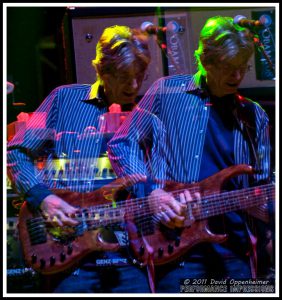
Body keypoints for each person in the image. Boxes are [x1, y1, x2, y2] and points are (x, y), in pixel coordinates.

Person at [108, 16, 274, 293]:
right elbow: (121, 145)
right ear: (206, 61)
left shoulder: (254, 114)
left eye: (241, 69)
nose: (236, 77)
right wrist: (151, 193)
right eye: (227, 68)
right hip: (178, 250)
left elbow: (262, 186)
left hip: (236, 254)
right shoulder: (166, 92)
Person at [7, 25, 153, 293]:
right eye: (124, 77)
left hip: (128, 256)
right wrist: (44, 199)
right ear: (101, 70)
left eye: (140, 76)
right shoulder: (63, 100)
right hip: (66, 252)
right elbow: (16, 152)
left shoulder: (148, 118)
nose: (133, 86)